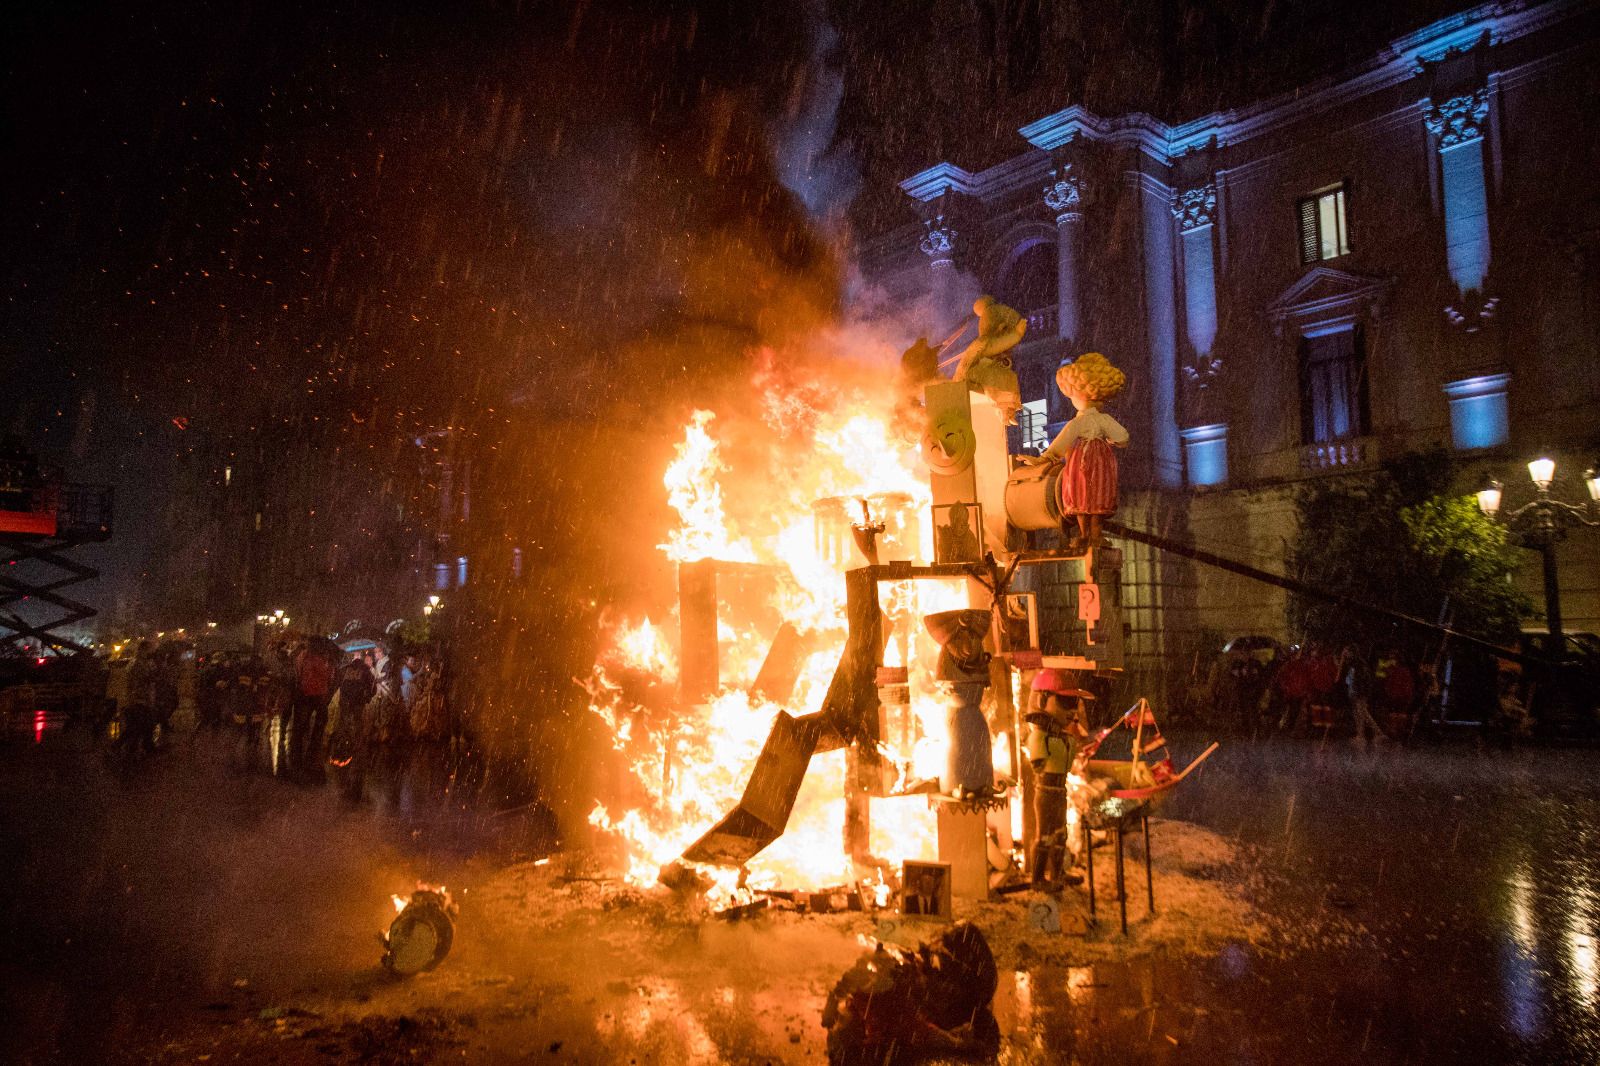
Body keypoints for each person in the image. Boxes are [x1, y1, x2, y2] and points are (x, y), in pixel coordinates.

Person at [1027, 352, 1129, 552]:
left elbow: (1059, 444)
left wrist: (1042, 459)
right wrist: (1109, 440)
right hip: (1099, 464)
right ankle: (1095, 535)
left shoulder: (1079, 422)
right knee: (1096, 499)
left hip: (1080, 463)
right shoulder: (1103, 420)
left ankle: (1085, 535)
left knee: (1082, 497)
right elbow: (1123, 437)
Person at [1023, 669, 1089, 891]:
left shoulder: (1062, 736)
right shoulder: (1040, 736)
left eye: (1074, 701)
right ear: (1042, 699)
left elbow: (1066, 764)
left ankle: (1058, 873)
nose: (1072, 709)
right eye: (1065, 700)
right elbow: (1039, 764)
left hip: (1059, 791)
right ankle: (1038, 879)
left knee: (1061, 834)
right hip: (1046, 792)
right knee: (1044, 836)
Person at [290, 639, 336, 777]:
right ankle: (311, 750)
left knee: (301, 724)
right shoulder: (317, 659)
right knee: (321, 719)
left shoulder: (302, 656)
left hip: (304, 693)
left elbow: (299, 671)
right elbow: (325, 676)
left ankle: (297, 752)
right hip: (315, 694)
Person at [1341, 645, 1386, 747]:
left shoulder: (1357, 664)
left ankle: (1376, 732)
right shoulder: (1354, 663)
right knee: (1359, 714)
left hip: (1358, 693)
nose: (1344, 653)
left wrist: (1358, 691)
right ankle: (1361, 734)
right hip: (1355, 692)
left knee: (1362, 713)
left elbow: (1359, 680)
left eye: (1346, 651)